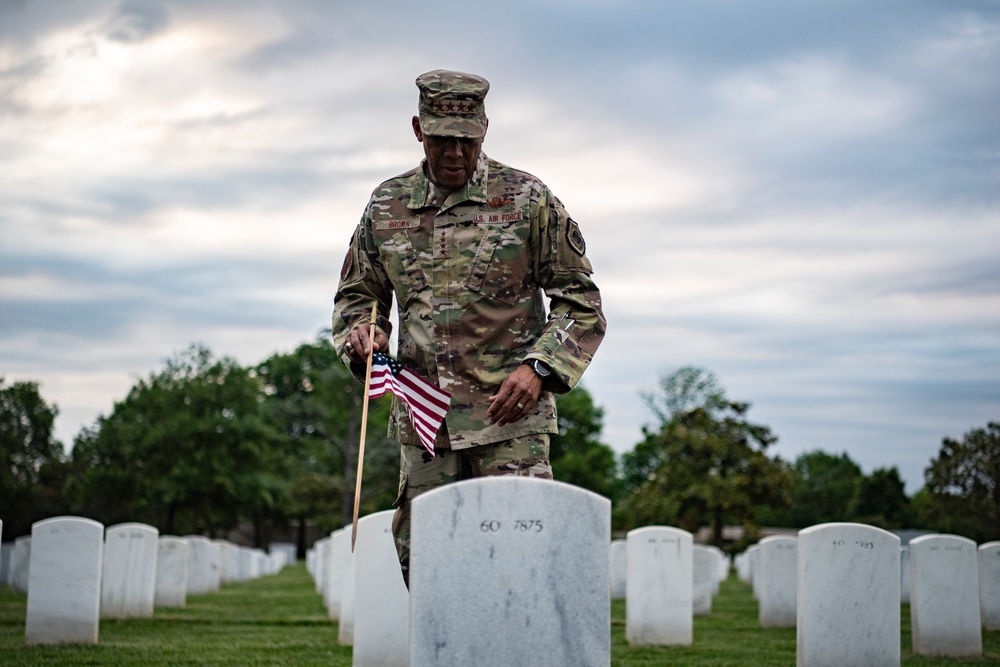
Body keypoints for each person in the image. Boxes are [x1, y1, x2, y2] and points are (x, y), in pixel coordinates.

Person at [332, 69, 606, 583]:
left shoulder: (527, 199)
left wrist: (539, 369)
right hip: (426, 423)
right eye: (442, 140)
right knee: (431, 572)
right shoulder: (386, 205)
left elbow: (581, 302)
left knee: (520, 572)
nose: (456, 153)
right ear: (418, 129)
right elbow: (358, 297)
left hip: (510, 423)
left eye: (467, 141)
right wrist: (362, 334)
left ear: (484, 130)